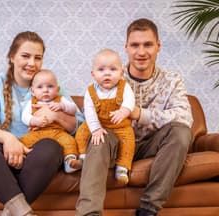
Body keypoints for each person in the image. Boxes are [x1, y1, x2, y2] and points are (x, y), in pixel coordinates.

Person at [75, 18, 193, 216]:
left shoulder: (172, 81)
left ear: (158, 47)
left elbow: (185, 117)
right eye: (135, 45)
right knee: (98, 137)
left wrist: (140, 114)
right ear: (126, 48)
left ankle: (148, 209)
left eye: (148, 44)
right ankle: (89, 213)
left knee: (181, 132)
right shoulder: (110, 75)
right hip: (115, 142)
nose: (141, 52)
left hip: (152, 145)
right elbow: (88, 113)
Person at [0, 31, 83, 216]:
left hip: (37, 159)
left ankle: (14, 212)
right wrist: (9, 139)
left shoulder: (50, 86)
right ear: (12, 57)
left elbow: (79, 125)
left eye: (38, 58)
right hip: (4, 158)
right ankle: (23, 213)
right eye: (25, 56)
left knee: (52, 146)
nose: (32, 63)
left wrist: (57, 117)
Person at [75, 48, 135, 184]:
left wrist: (124, 111)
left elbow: (130, 101)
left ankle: (122, 168)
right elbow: (89, 112)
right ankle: (83, 157)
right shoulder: (90, 91)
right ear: (93, 74)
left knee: (128, 141)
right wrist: (95, 129)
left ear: (121, 72)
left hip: (120, 127)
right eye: (101, 70)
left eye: (113, 69)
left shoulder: (124, 87)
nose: (107, 73)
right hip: (99, 125)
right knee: (82, 132)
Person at [20, 69, 82, 173]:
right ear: (33, 91)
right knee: (23, 141)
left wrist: (62, 106)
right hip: (37, 132)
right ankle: (21, 159)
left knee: (69, 141)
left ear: (57, 89)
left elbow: (73, 109)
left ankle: (69, 162)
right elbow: (25, 117)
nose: (45, 90)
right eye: (40, 87)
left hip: (58, 133)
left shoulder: (60, 100)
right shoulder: (31, 102)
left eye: (50, 86)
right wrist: (34, 121)